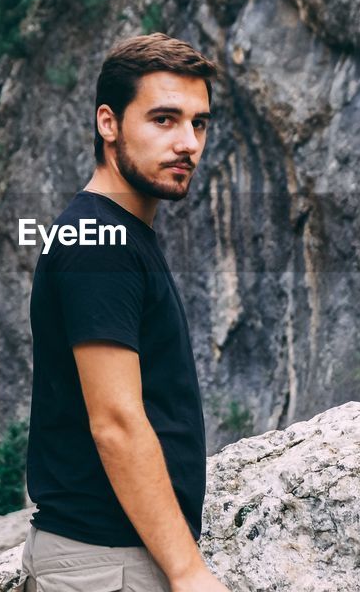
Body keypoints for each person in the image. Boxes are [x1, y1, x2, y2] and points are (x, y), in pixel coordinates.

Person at [22, 33, 231, 592]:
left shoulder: (112, 232)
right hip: (104, 565)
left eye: (199, 123)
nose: (187, 142)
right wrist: (188, 571)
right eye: (164, 120)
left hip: (109, 560)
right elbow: (116, 422)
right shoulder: (101, 243)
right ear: (108, 124)